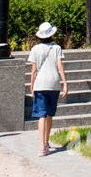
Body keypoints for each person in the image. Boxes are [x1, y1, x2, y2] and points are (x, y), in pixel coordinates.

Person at [28, 22, 68, 157]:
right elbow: (60, 66)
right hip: (54, 82)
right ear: (52, 34)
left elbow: (33, 71)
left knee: (41, 114)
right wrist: (65, 83)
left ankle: (42, 145)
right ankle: (46, 140)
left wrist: (32, 85)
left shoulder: (35, 49)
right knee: (50, 114)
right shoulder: (57, 48)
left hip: (40, 83)